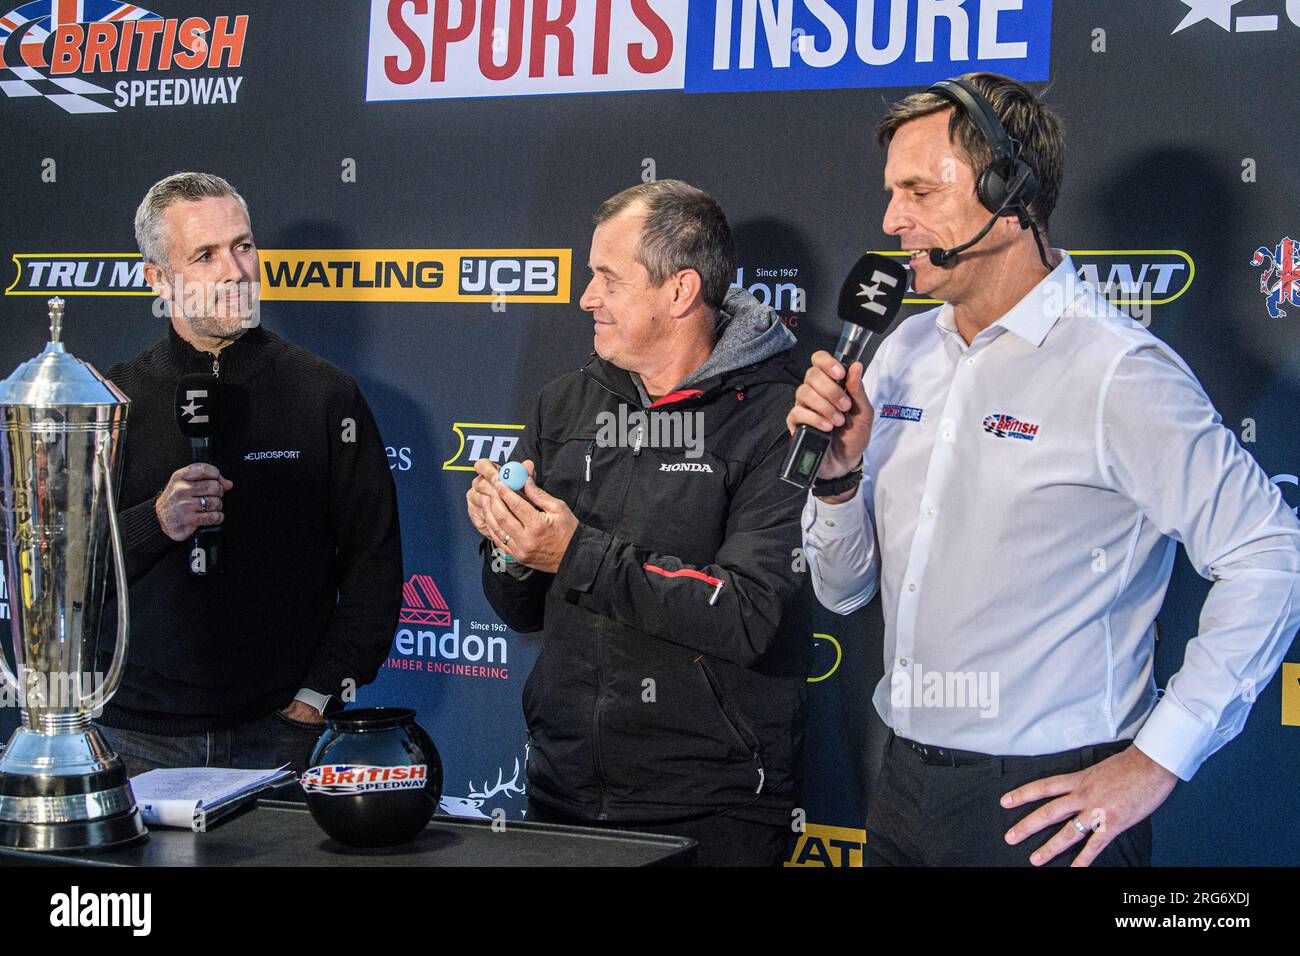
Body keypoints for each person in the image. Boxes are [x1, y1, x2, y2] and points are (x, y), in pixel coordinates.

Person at [790, 73, 1300, 866]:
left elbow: (1271, 555)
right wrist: (837, 478)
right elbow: (842, 589)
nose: (893, 220)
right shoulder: (899, 354)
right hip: (898, 788)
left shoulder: (1118, 371)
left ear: (1009, 188)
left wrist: (1157, 759)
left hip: (1047, 809)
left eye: (921, 190)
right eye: (894, 193)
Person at [466, 180, 807, 866]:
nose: (585, 297)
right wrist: (509, 545)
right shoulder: (565, 403)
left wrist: (572, 552)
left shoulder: (781, 419)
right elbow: (520, 609)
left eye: (606, 278)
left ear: (680, 292)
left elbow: (746, 613)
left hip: (712, 810)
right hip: (561, 792)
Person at [94, 172, 402, 782]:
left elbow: (374, 563)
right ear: (157, 278)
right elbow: (70, 569)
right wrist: (156, 522)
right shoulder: (112, 399)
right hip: (135, 737)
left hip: (281, 734)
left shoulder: (324, 394)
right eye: (205, 255)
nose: (235, 271)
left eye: (243, 246)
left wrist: (313, 700)